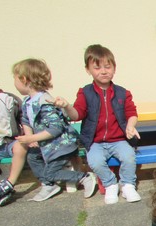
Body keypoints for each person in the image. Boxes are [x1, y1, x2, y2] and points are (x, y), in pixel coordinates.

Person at [54, 44, 141, 204]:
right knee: (94, 161)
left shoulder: (123, 92)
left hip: (119, 139)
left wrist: (130, 125)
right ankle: (110, 184)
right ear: (88, 69)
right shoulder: (85, 92)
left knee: (129, 157)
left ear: (114, 68)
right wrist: (67, 106)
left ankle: (128, 185)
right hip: (96, 141)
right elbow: (77, 114)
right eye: (97, 67)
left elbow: (132, 113)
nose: (103, 71)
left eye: (108, 67)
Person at [11, 59, 97, 202]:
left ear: (24, 79)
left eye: (15, 79)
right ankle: (48, 185)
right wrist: (29, 135)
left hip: (61, 145)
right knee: (33, 157)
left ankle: (84, 177)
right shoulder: (27, 102)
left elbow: (56, 129)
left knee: (51, 172)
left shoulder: (45, 102)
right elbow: (25, 120)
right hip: (45, 144)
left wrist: (33, 139)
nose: (14, 83)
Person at [0, 73, 29, 206]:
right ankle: (0, 189)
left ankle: (9, 183)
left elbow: (23, 114)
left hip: (11, 141)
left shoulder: (3, 98)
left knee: (20, 147)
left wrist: (27, 134)